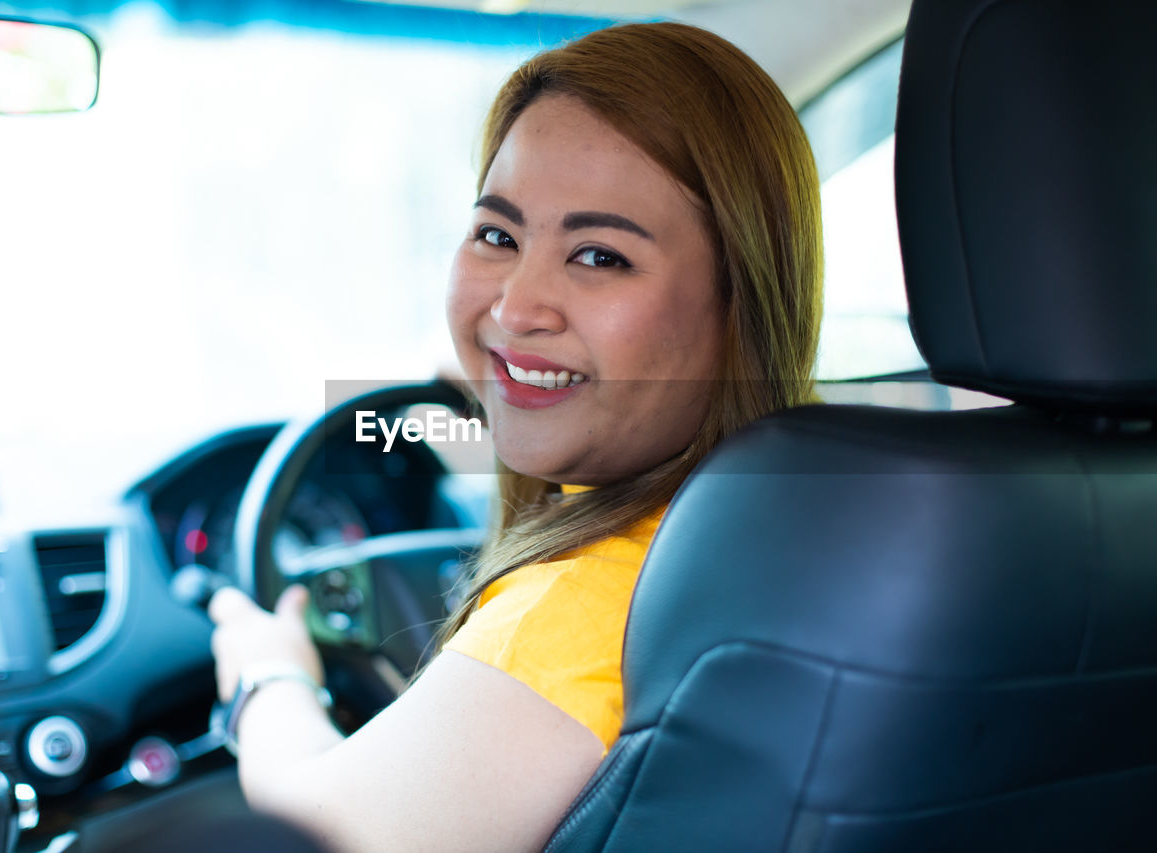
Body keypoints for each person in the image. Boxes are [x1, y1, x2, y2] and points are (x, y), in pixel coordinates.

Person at [208, 20, 821, 852]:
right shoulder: (805, 525)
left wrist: (266, 674)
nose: (513, 307)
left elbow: (311, 830)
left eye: (600, 256)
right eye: (497, 236)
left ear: (740, 301)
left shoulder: (584, 609)